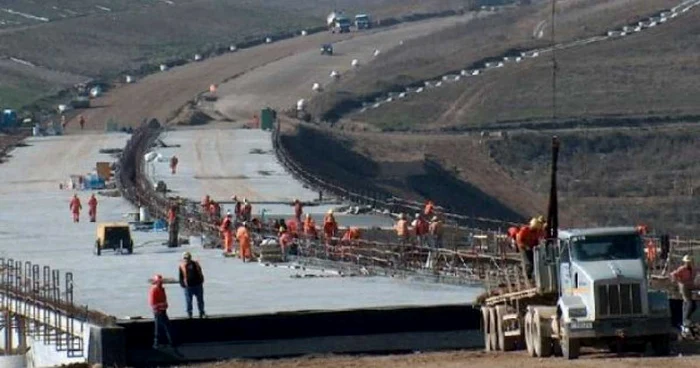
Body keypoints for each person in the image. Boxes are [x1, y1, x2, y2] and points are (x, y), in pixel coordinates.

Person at [671, 255, 697, 335]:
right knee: (688, 302)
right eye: (687, 262)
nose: (688, 263)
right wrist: (678, 282)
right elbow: (673, 274)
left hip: (690, 286)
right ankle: (685, 320)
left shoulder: (693, 269)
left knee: (690, 304)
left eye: (689, 262)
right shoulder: (682, 269)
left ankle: (685, 319)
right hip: (684, 286)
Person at [149, 274, 175, 349]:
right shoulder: (154, 290)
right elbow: (152, 302)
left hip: (163, 310)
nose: (160, 283)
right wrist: (158, 310)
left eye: (161, 281)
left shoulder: (162, 289)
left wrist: (165, 306)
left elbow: (164, 299)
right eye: (159, 281)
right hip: (158, 311)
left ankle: (169, 342)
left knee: (165, 327)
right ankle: (157, 344)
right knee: (160, 327)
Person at [178, 252, 206, 319]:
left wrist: (201, 281)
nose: (186, 259)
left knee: (200, 300)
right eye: (185, 258)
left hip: (198, 285)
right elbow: (180, 277)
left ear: (190, 257)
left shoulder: (195, 264)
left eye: (188, 257)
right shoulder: (181, 266)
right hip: (188, 287)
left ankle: (201, 312)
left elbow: (200, 272)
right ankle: (189, 314)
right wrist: (183, 285)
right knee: (188, 301)